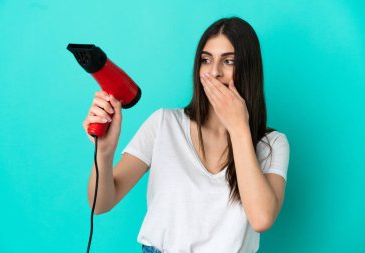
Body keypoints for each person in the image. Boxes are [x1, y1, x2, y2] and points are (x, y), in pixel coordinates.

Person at [83, 16, 290, 253]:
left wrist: (239, 128)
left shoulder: (273, 144)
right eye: (206, 60)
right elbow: (100, 204)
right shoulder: (164, 123)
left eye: (229, 61)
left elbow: (262, 219)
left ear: (249, 69)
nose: (214, 72)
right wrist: (104, 153)